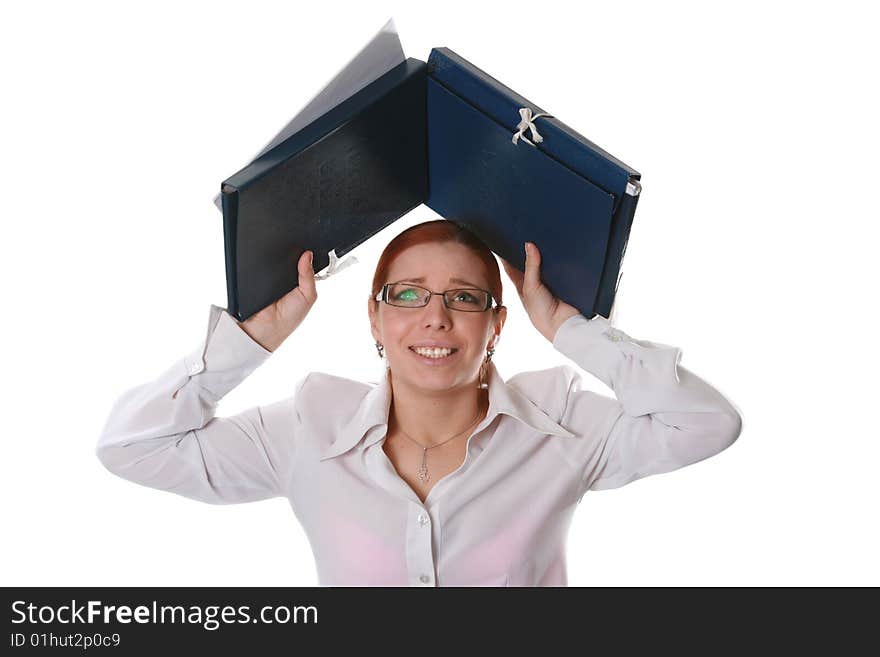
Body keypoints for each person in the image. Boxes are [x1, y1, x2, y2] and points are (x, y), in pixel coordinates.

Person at [96, 219, 742, 586]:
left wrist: (570, 329)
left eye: (464, 298)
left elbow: (707, 423)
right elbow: (133, 447)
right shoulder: (307, 427)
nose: (435, 317)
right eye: (407, 296)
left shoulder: (563, 424)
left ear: (496, 324)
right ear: (375, 320)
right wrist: (252, 338)